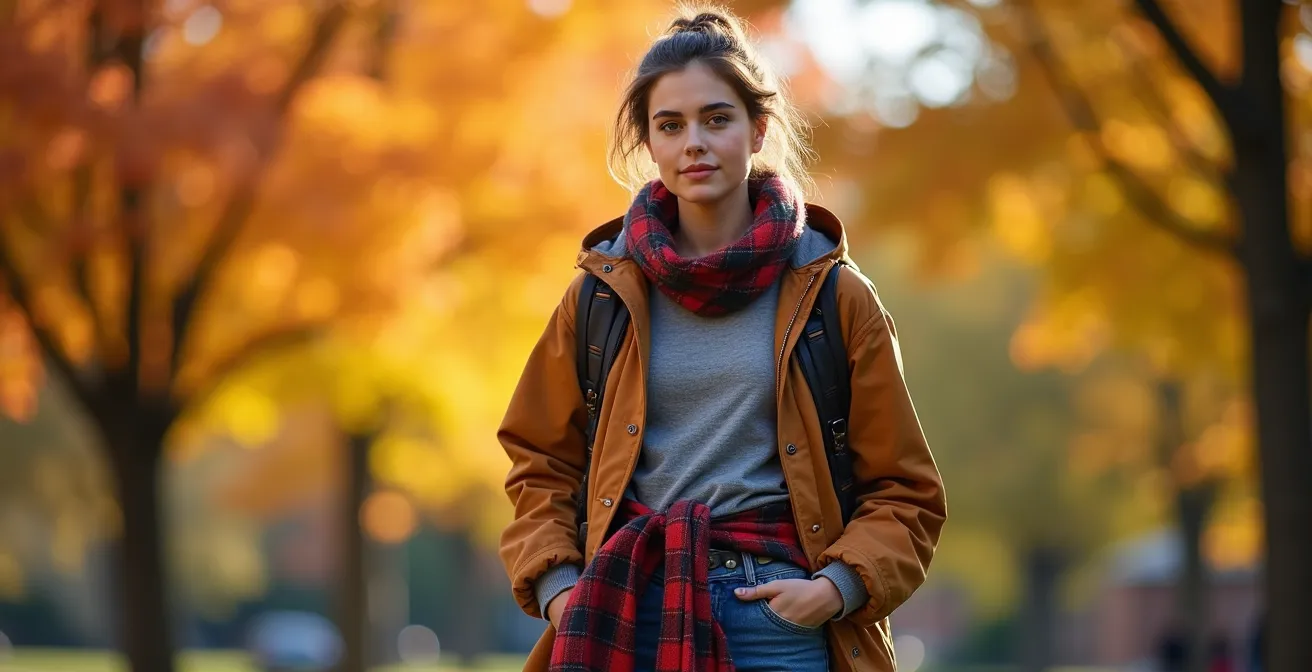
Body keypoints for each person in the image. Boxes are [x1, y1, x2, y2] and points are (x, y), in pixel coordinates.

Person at [496, 5, 946, 671]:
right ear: (648, 143)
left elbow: (905, 489)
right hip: (631, 608)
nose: (693, 143)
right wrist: (564, 590)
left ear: (757, 129)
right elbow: (539, 462)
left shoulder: (834, 295)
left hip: (781, 621)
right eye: (670, 126)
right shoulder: (599, 297)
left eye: (716, 118)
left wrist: (833, 590)